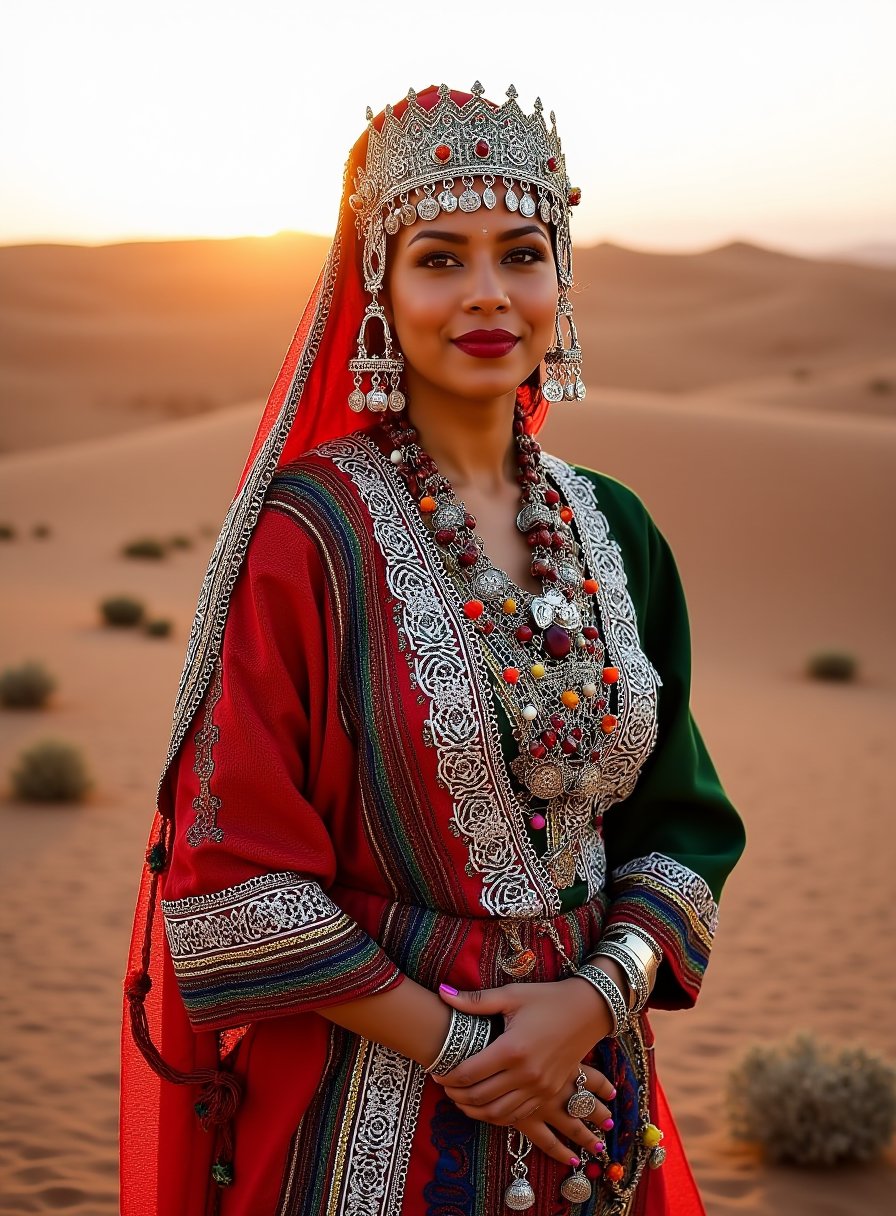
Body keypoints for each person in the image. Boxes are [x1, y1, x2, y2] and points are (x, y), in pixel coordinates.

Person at [120, 82, 745, 1216]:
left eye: (520, 252)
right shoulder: (307, 535)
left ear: (564, 279)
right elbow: (233, 878)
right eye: (440, 258)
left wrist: (595, 999)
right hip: (362, 1109)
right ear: (378, 287)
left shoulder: (616, 530)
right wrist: (472, 1046)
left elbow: (680, 826)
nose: (488, 295)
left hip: (592, 1108)